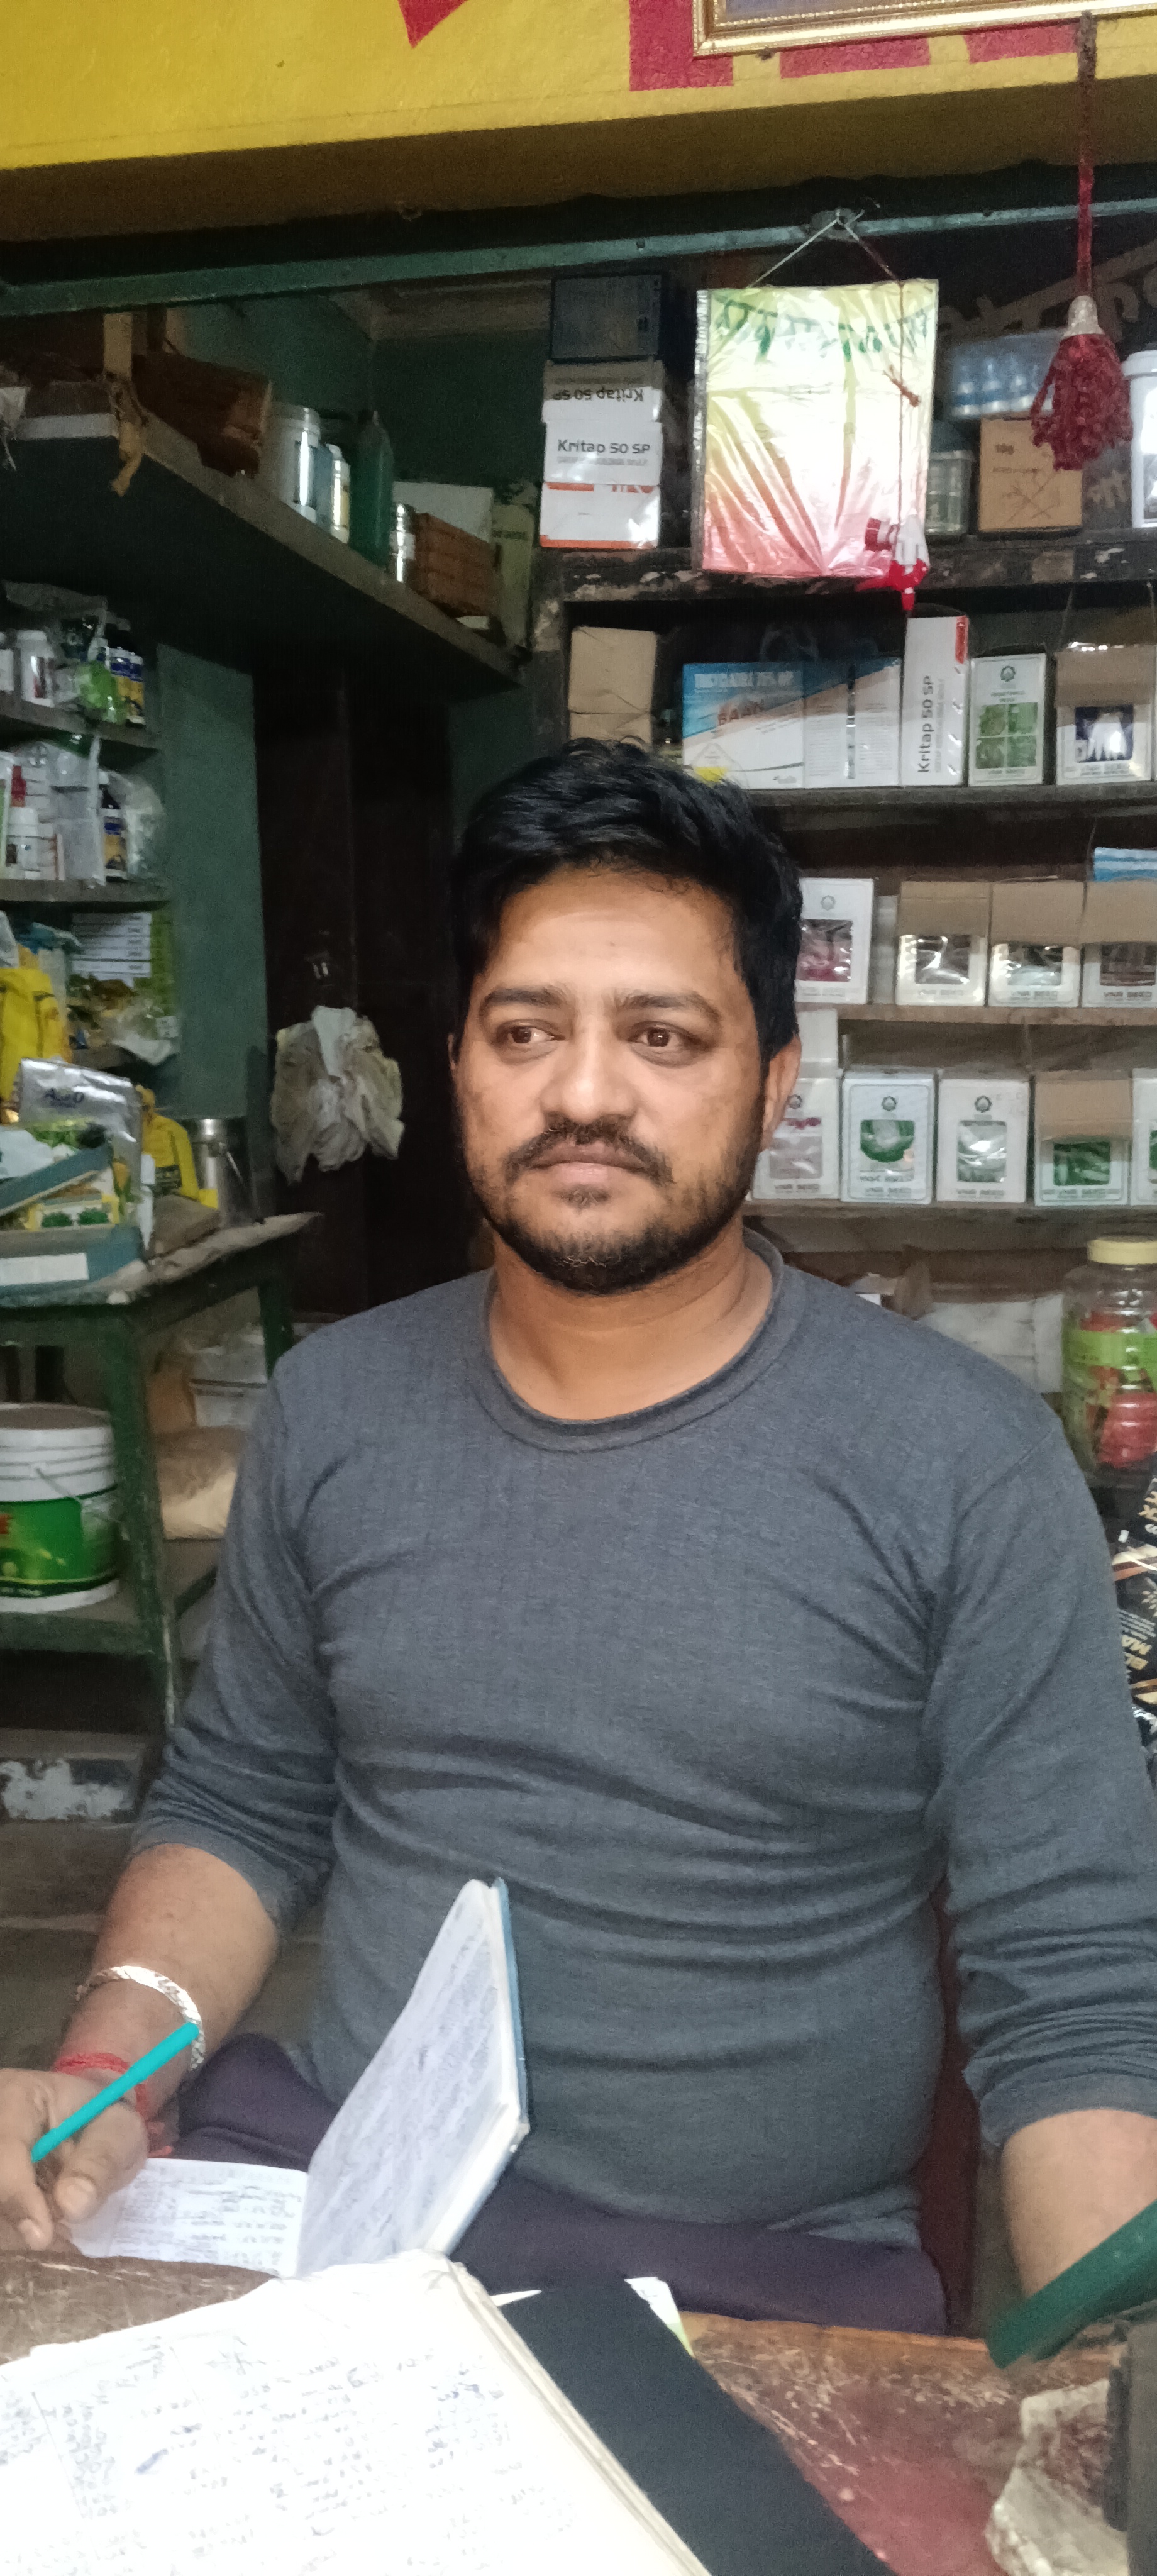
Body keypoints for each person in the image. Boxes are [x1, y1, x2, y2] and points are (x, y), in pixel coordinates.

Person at [4, 741, 1157, 2331]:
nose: (585, 1094)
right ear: (460, 1066)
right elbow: (244, 1798)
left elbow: (1073, 1976)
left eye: (661, 1035)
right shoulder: (336, 1407)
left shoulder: (959, 1459)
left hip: (747, 2271)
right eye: (524, 1030)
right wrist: (99, 2070)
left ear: (775, 1081)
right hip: (340, 2198)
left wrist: (1097, 2383)